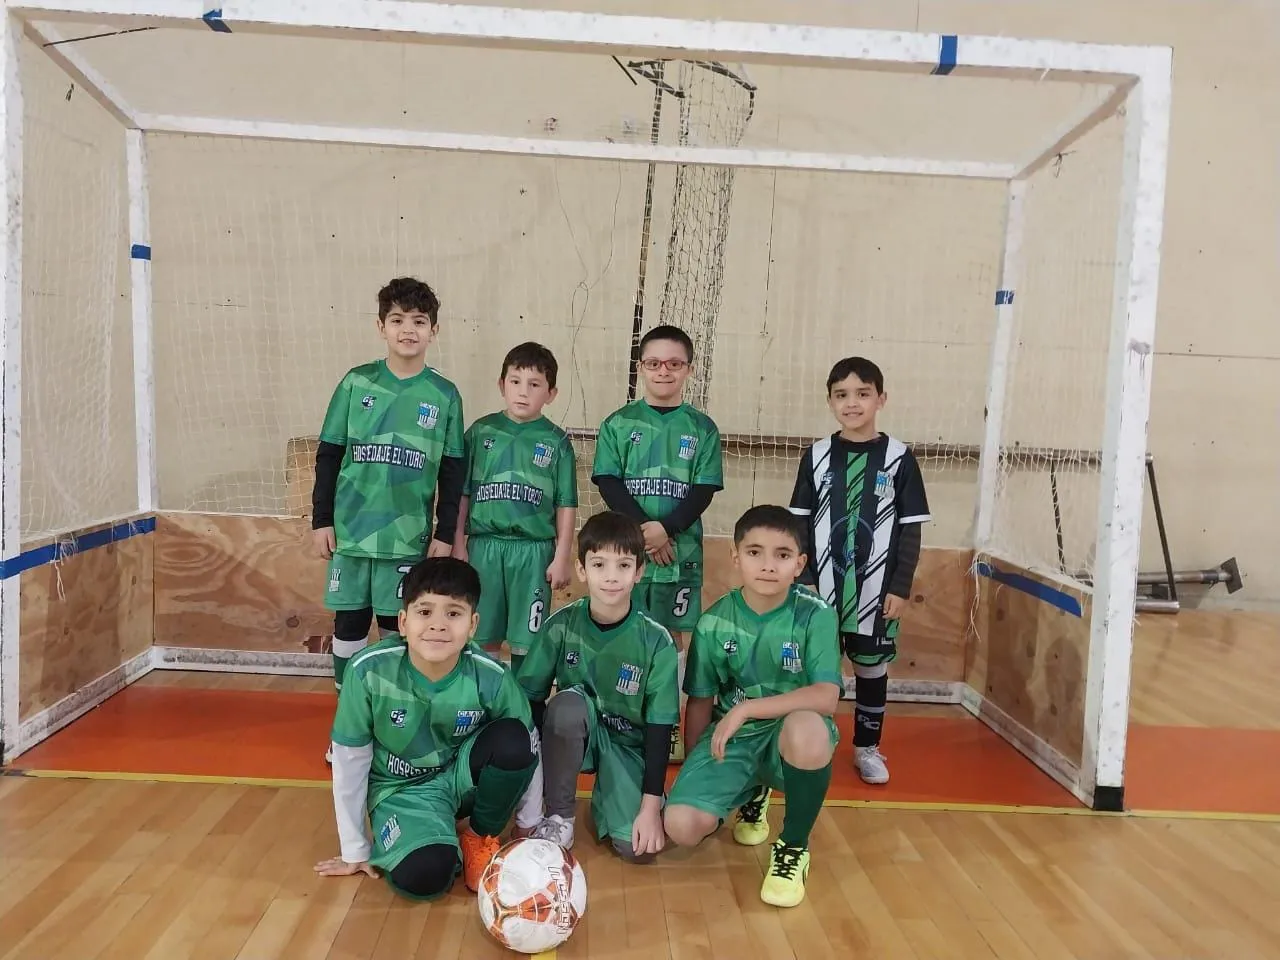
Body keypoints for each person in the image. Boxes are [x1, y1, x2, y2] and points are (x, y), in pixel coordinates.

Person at [314, 557, 537, 899]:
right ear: (403, 622)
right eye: (425, 611)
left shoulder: (490, 675)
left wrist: (528, 822)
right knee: (426, 876)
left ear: (473, 624)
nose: (438, 625)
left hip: (460, 780)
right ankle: (431, 834)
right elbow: (349, 759)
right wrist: (354, 848)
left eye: (453, 613)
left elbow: (529, 742)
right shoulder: (368, 672)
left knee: (512, 739)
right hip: (401, 790)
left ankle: (479, 836)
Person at [311, 277, 466, 765]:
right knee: (349, 628)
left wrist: (445, 532)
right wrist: (321, 519)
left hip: (406, 539)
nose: (408, 330)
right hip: (352, 535)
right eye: (397, 320)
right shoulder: (356, 383)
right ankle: (347, 728)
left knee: (398, 634)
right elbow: (329, 455)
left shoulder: (443, 394)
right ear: (381, 326)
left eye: (418, 321)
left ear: (434, 330)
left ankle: (392, 729)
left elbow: (453, 470)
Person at [663, 505, 841, 908]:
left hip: (786, 733)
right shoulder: (713, 622)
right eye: (755, 552)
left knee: (807, 728)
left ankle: (793, 847)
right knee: (681, 826)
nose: (768, 565)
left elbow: (826, 696)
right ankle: (752, 792)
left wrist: (746, 709)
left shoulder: (815, 615)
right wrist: (695, 770)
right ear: (735, 556)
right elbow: (701, 700)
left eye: (782, 555)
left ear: (799, 564)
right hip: (736, 738)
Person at [789, 356, 931, 785]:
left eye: (862, 394)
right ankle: (810, 744)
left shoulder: (899, 458)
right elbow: (798, 523)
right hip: (820, 592)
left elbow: (910, 530)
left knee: (871, 670)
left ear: (881, 399)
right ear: (830, 401)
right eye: (842, 395)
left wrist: (900, 587)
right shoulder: (816, 455)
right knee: (813, 670)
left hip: (877, 593)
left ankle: (867, 748)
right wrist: (803, 581)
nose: (852, 403)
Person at [591, 324, 724, 762]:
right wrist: (645, 532)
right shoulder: (618, 423)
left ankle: (666, 725)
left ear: (688, 369)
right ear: (640, 367)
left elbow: (703, 489)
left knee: (671, 636)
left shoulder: (702, 428)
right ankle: (619, 721)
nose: (663, 371)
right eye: (653, 363)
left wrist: (667, 528)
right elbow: (608, 481)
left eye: (673, 363)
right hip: (628, 551)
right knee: (623, 628)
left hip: (679, 550)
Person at [514, 511, 679, 862]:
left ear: (639, 572)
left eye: (623, 565)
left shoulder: (656, 641)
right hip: (578, 733)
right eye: (600, 564)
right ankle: (560, 815)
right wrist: (533, 791)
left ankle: (623, 798)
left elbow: (660, 728)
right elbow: (530, 704)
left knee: (636, 851)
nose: (611, 577)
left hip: (628, 747)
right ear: (581, 569)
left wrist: (650, 806)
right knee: (565, 707)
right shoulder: (561, 626)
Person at [451, 341, 577, 666]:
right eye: (515, 381)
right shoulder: (481, 432)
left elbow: (566, 505)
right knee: (482, 637)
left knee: (528, 642)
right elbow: (462, 494)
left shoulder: (557, 441)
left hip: (533, 553)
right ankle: (484, 696)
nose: (523, 392)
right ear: (501, 385)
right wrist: (458, 543)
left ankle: (524, 699)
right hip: (484, 548)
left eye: (534, 384)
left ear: (551, 393)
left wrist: (562, 556)